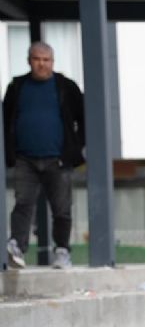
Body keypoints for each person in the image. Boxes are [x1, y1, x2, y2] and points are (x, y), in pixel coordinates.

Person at [4, 41, 85, 269]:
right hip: (25, 159)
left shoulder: (66, 87)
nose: (41, 64)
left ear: (52, 62)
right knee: (23, 204)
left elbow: (84, 118)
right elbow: (6, 120)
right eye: (37, 59)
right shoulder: (17, 87)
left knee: (61, 209)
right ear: (29, 61)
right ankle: (17, 247)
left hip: (58, 159)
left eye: (46, 60)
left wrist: (74, 149)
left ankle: (62, 251)